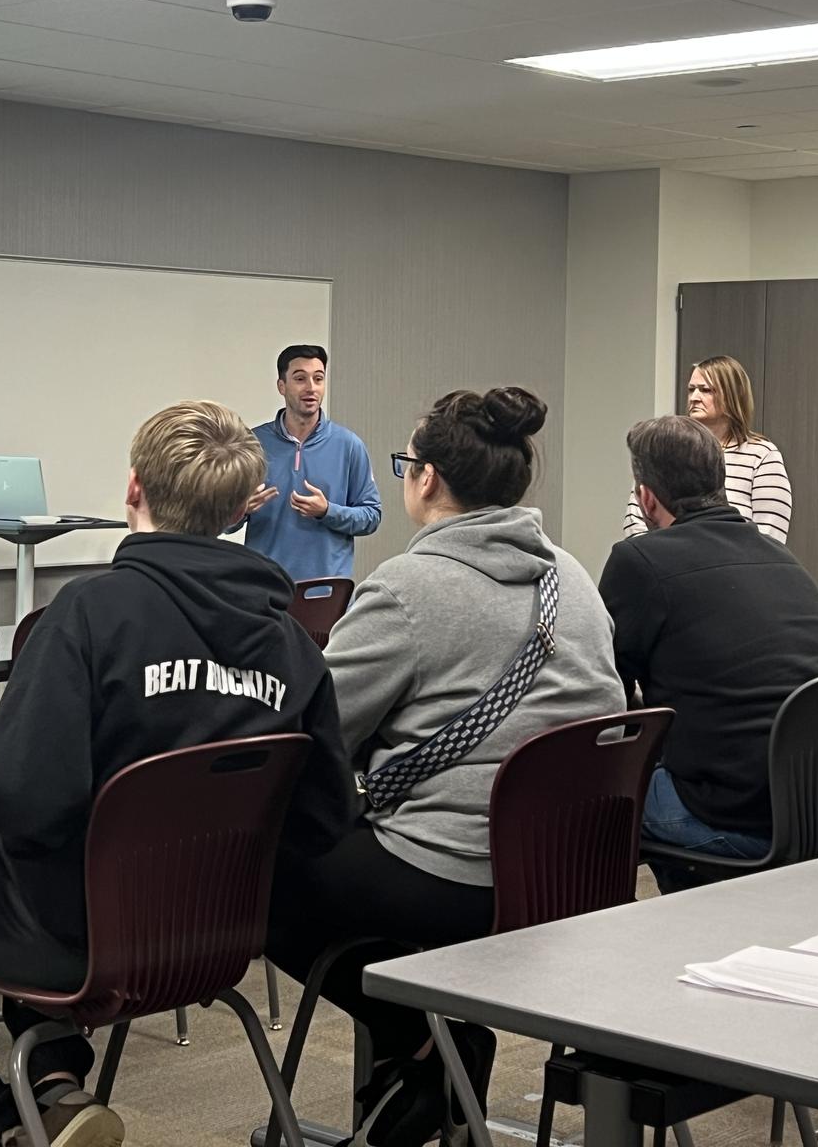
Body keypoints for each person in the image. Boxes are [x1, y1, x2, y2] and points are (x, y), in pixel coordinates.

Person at [0, 401, 356, 1147]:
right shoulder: (290, 643)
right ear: (241, 510)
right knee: (32, 869)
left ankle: (3, 1131)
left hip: (84, 934)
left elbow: (30, 804)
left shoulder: (90, 617)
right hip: (222, 933)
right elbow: (325, 819)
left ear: (133, 488)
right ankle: (56, 1087)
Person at [266, 387, 626, 1147]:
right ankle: (418, 1073)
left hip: (457, 877)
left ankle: (427, 1042)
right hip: (570, 878)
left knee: (261, 882)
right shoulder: (576, 581)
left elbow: (316, 729)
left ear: (424, 478)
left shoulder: (407, 587)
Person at [600, 416, 818, 877]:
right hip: (817, 807)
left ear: (646, 497)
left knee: (586, 792)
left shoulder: (640, 560)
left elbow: (604, 688)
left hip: (725, 813)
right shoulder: (784, 560)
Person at [240, 344, 382, 581]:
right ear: (281, 386)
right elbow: (222, 523)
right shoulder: (251, 444)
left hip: (326, 592)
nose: (311, 388)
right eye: (300, 379)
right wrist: (240, 509)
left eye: (318, 379)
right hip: (264, 587)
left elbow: (371, 516)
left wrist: (327, 511)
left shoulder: (349, 445)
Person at [624, 355, 790, 542]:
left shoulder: (761, 455)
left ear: (732, 395)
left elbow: (771, 533)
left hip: (735, 564)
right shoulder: (665, 449)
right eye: (691, 389)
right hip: (665, 561)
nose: (694, 398)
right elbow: (635, 519)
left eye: (705, 390)